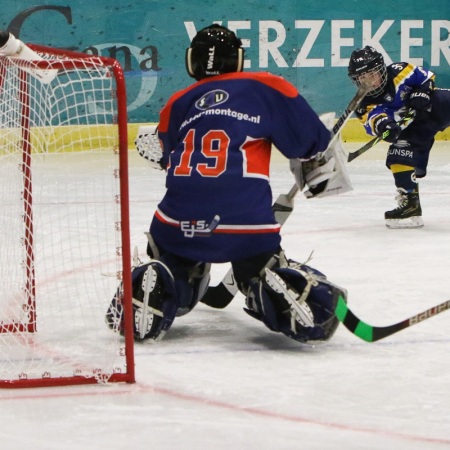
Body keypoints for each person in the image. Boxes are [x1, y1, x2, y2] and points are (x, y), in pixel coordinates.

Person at [106, 24, 347, 344]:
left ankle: (166, 281)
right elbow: (310, 146)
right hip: (246, 226)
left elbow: (165, 156)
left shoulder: (178, 102)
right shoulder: (268, 85)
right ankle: (268, 284)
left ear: (193, 62)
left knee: (173, 258)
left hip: (177, 224)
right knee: (260, 269)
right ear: (237, 59)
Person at [348, 45, 450, 229]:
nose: (368, 82)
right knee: (398, 153)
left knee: (445, 99)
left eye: (372, 75)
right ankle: (411, 205)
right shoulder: (363, 103)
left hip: (430, 109)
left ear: (381, 70)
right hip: (412, 129)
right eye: (362, 78)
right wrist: (385, 127)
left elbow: (426, 77)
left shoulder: (399, 71)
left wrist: (422, 92)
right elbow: (375, 121)